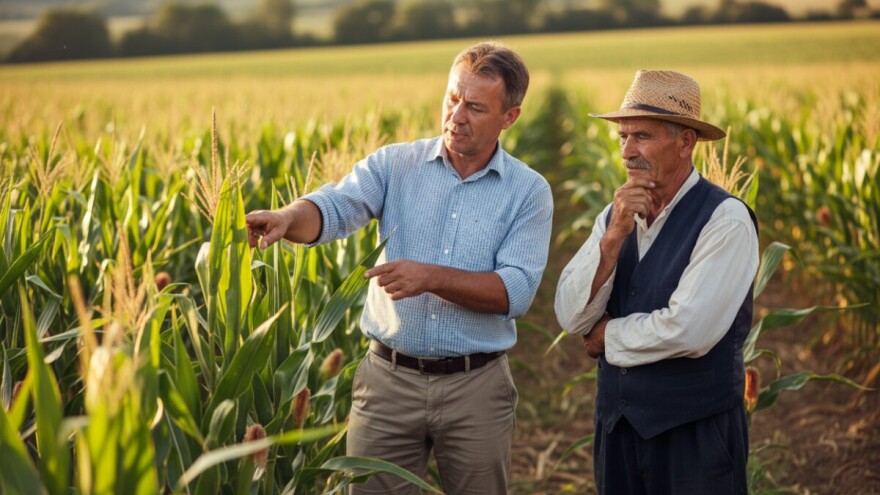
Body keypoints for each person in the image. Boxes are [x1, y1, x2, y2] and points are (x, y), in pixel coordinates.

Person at [245, 42, 553, 494]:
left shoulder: (528, 191)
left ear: (509, 117)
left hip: (476, 388)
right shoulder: (395, 164)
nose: (456, 116)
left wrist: (429, 278)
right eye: (451, 98)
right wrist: (289, 218)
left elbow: (516, 292)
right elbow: (334, 207)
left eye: (474, 107)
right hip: (388, 383)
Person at [554, 70, 759, 494]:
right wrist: (611, 241)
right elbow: (570, 315)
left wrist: (607, 336)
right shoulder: (613, 218)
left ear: (686, 141)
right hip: (618, 432)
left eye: (642, 136)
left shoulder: (725, 220)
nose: (628, 150)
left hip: (695, 436)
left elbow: (690, 329)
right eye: (622, 137)